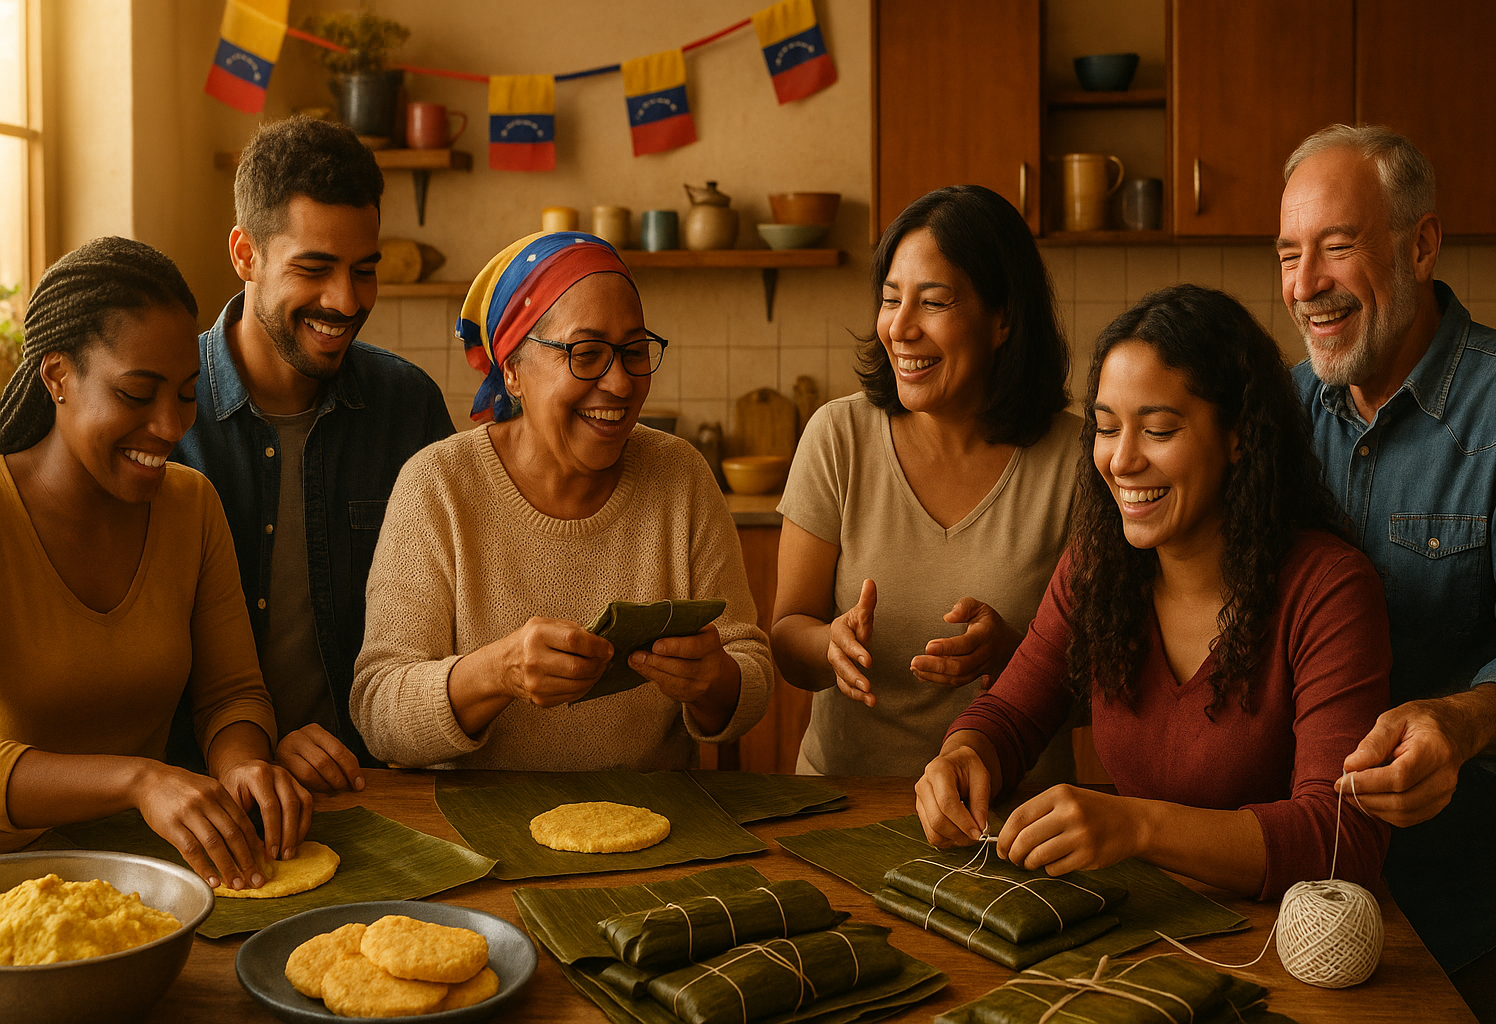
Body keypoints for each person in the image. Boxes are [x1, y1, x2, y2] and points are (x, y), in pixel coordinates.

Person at [917, 285, 1391, 899]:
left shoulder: (1329, 592)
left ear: (1238, 436)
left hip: (1282, 953)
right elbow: (1009, 715)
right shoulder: (1097, 570)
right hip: (1134, 933)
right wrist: (961, 756)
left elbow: (1340, 839)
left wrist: (1137, 825)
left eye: (1159, 430)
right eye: (1107, 429)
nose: (1121, 461)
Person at [1279, 124, 1496, 1018]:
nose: (1306, 285)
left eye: (1336, 248)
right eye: (1288, 254)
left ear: (1421, 244)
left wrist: (1460, 722)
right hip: (1292, 910)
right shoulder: (1277, 411)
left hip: (1478, 919)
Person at [351, 231, 772, 769]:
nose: (620, 383)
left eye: (635, 351)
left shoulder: (679, 476)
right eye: (587, 354)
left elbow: (750, 672)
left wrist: (715, 681)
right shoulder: (438, 486)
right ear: (513, 371)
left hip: (656, 827)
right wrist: (496, 671)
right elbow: (378, 712)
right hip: (479, 837)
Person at [0, 237, 311, 890]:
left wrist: (241, 766)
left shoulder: (191, 506)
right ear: (57, 375)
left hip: (151, 881)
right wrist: (141, 780)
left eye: (186, 394)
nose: (172, 426)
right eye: (138, 394)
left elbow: (232, 694)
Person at [170, 116, 454, 791]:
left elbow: (453, 628)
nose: (346, 301)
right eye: (314, 268)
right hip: (201, 796)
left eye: (364, 270)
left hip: (376, 786)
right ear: (245, 254)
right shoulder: (168, 417)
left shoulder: (408, 408)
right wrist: (252, 749)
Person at [771, 185, 1080, 779]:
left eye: (933, 303)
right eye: (891, 300)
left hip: (1013, 821)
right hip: (847, 804)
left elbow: (1121, 684)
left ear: (1003, 319)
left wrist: (1020, 655)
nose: (900, 329)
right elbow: (788, 638)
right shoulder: (839, 436)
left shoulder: (1075, 459)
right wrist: (828, 645)